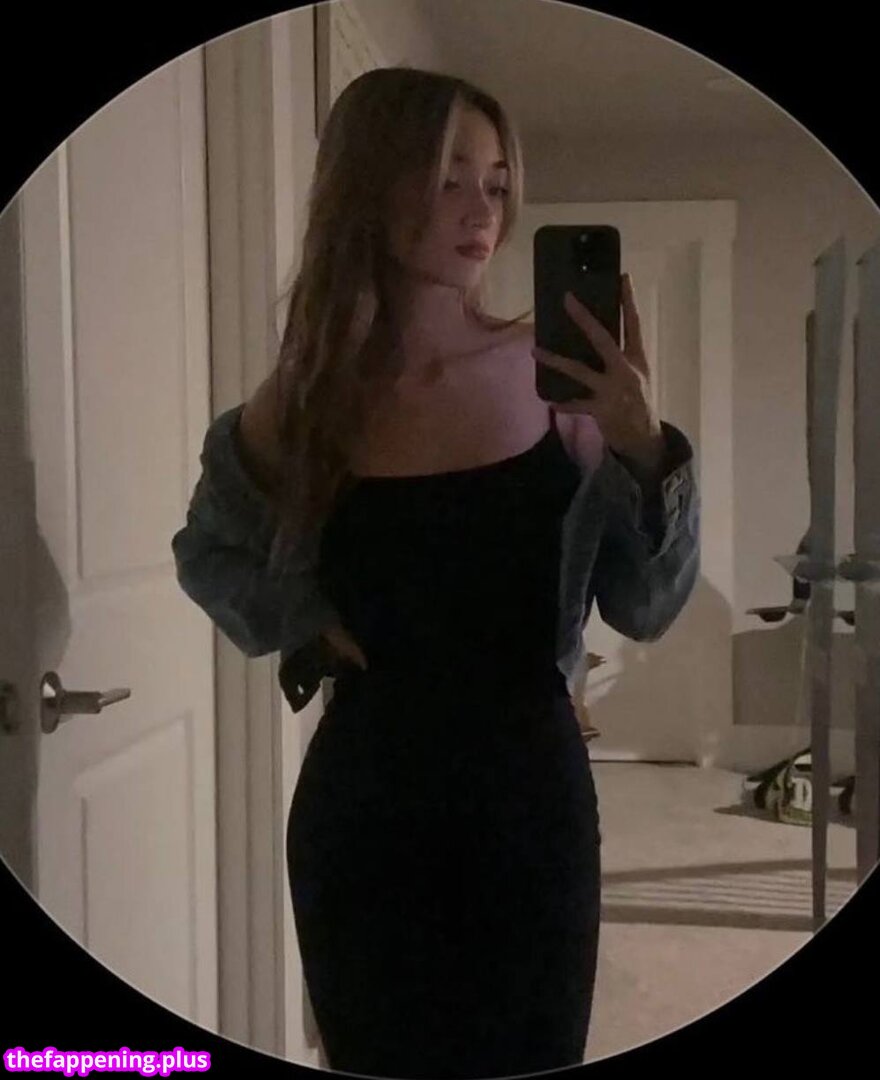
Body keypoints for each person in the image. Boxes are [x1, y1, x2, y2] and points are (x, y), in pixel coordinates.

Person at [172, 67, 700, 1079]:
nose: (481, 210)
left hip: (529, 794)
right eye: (450, 176)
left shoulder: (554, 383)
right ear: (371, 181)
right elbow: (208, 550)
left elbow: (645, 605)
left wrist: (643, 447)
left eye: (496, 183)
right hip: (365, 802)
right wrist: (305, 621)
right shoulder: (304, 401)